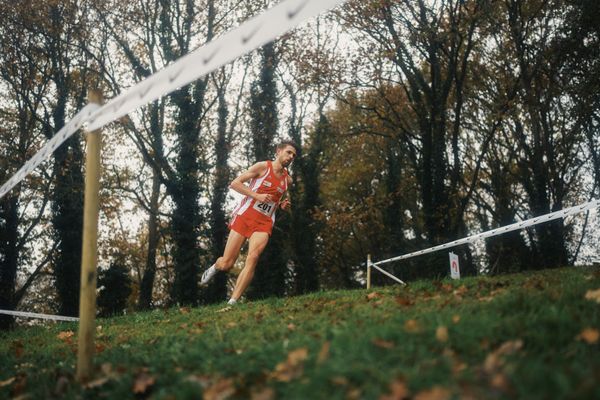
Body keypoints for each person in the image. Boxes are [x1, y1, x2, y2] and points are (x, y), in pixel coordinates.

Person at [200, 140, 298, 305]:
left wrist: (282, 204)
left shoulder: (288, 180)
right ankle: (216, 266)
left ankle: (233, 302)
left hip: (264, 223)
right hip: (245, 216)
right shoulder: (262, 167)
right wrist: (256, 195)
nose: (291, 157)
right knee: (227, 264)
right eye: (288, 152)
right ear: (279, 151)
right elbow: (235, 184)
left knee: (253, 256)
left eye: (294, 155)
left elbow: (279, 197)